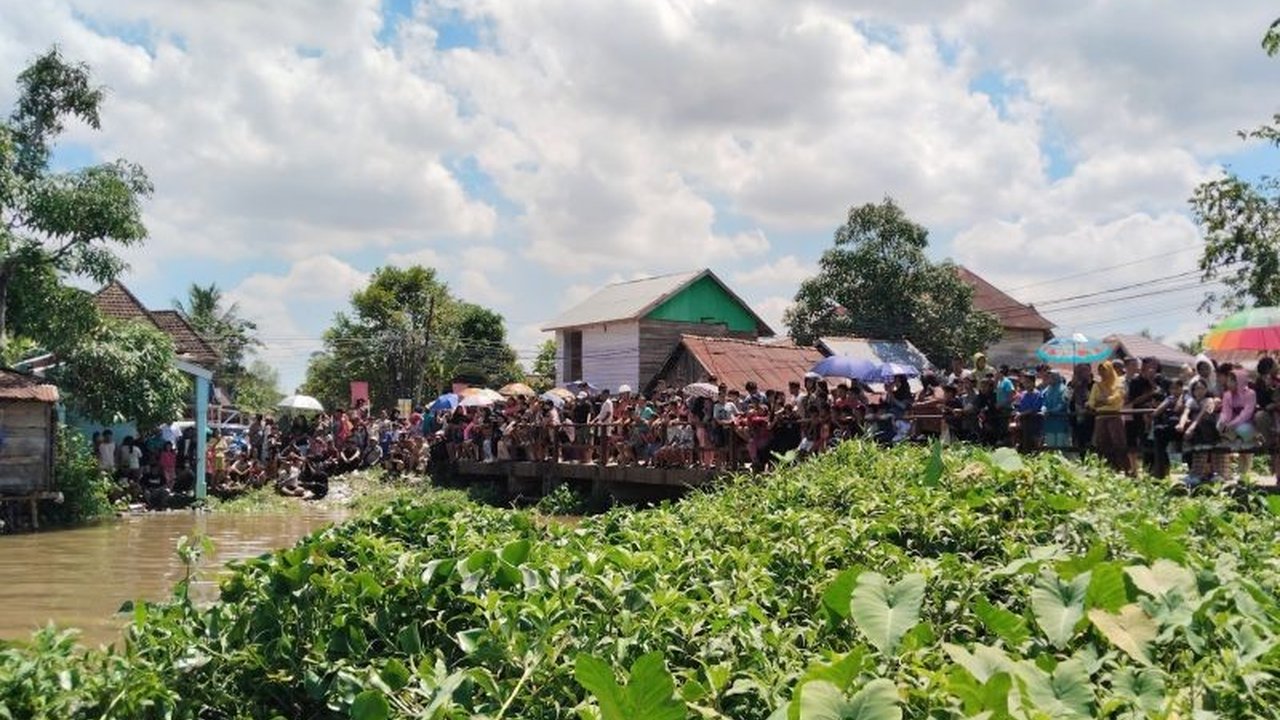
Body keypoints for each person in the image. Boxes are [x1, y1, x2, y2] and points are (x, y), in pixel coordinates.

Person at [1088, 361, 1128, 473]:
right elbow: (1092, 403)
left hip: (1114, 416)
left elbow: (1117, 399)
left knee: (1118, 442)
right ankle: (1107, 467)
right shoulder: (1097, 386)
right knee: (1102, 442)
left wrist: (1104, 401)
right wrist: (1104, 402)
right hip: (1100, 417)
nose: (1102, 373)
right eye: (1100, 370)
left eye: (1104, 370)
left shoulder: (1118, 384)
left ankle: (1123, 467)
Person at [1014, 373, 1044, 452]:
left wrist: (1021, 414)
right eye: (1024, 382)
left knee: (1034, 444)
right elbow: (1018, 406)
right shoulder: (1023, 394)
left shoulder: (1038, 394)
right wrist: (1017, 413)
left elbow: (1034, 408)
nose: (1026, 384)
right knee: (1023, 443)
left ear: (1033, 382)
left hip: (1034, 422)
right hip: (1023, 422)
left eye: (1028, 382)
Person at [1041, 371, 1070, 450]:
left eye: (1051, 376)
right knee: (1050, 446)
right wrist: (1043, 409)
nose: (1049, 378)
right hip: (1049, 423)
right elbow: (1044, 402)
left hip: (1060, 423)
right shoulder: (1047, 390)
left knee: (1061, 447)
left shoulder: (1064, 389)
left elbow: (1063, 404)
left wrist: (1051, 411)